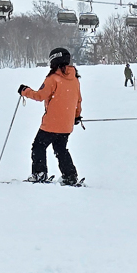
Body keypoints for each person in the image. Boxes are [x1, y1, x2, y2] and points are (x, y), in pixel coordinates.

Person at [18, 47, 82, 185]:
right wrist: (76, 116)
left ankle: (39, 173)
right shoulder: (75, 80)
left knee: (38, 146)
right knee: (61, 149)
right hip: (66, 125)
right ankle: (70, 175)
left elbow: (40, 96)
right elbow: (78, 100)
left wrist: (25, 91)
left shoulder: (53, 79)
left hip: (51, 123)